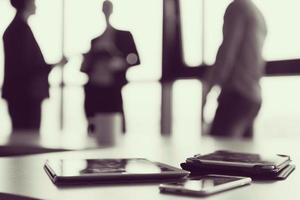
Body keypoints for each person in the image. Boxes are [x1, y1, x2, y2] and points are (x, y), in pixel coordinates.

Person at [202, 0, 267, 138]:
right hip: (253, 95)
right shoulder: (257, 13)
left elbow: (227, 50)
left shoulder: (237, 7)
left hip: (236, 93)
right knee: (242, 155)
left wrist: (210, 85)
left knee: (219, 153)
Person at [2, 0, 66, 131]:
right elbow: (26, 68)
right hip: (26, 96)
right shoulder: (20, 30)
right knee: (27, 138)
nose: (36, 4)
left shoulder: (17, 29)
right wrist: (55, 65)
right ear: (26, 3)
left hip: (21, 94)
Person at [81, 0, 140, 133]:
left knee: (115, 126)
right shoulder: (95, 40)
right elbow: (87, 66)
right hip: (95, 88)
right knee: (94, 127)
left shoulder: (124, 35)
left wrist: (121, 62)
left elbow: (135, 59)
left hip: (112, 88)